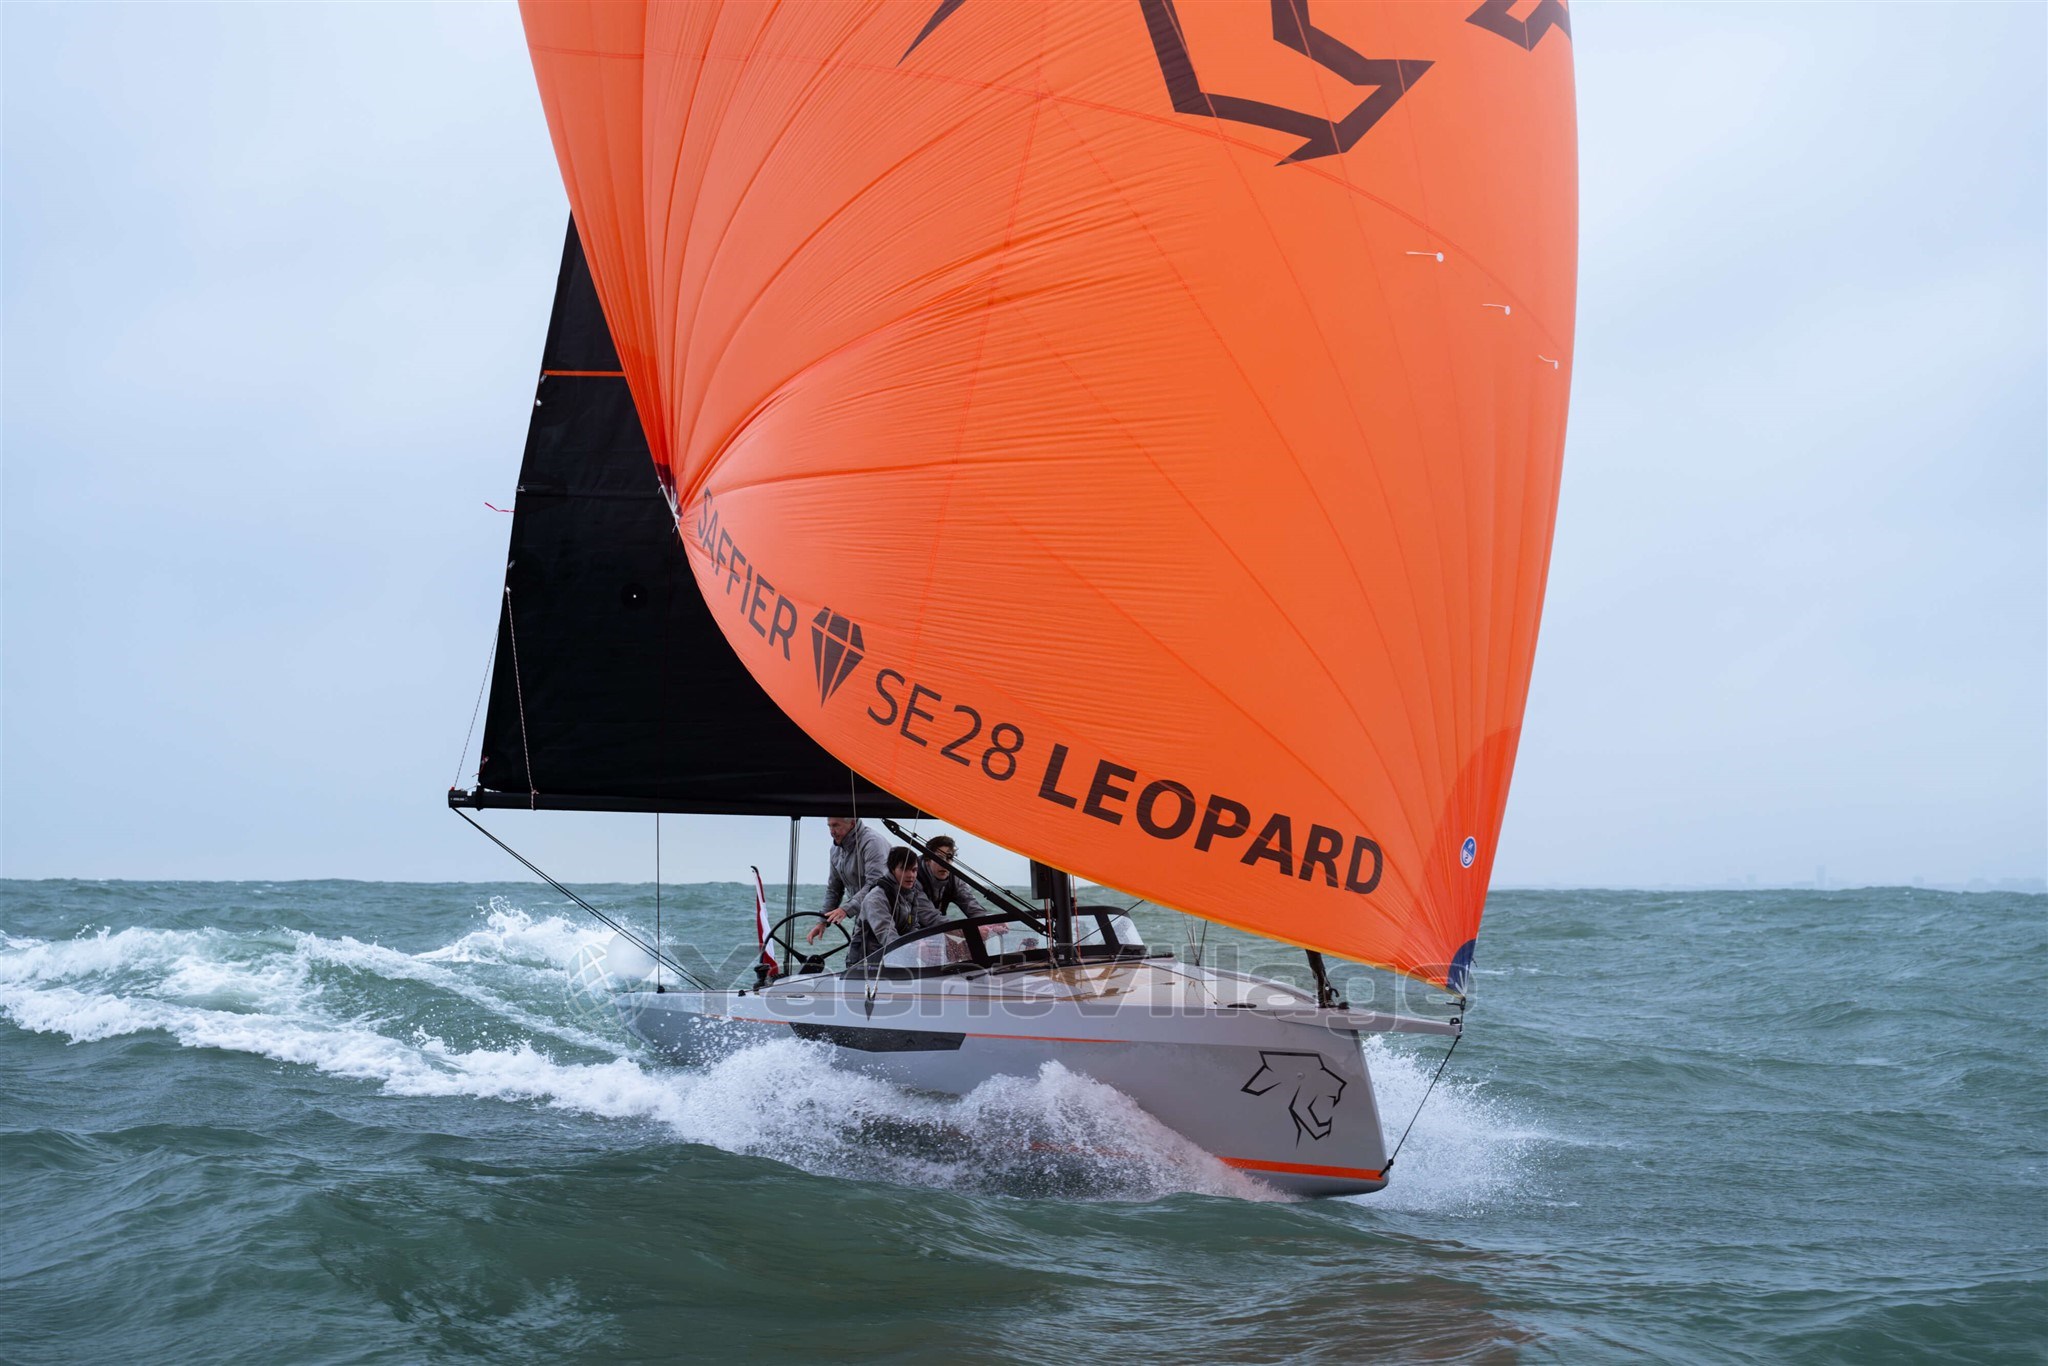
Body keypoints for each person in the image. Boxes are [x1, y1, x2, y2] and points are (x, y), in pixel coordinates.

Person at [917, 834, 1008, 956]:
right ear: (928, 860)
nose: (944, 863)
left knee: (968, 942)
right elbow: (929, 917)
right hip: (908, 935)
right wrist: (967, 932)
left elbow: (971, 904)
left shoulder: (954, 878)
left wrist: (990, 923)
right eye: (939, 858)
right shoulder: (913, 876)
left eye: (949, 858)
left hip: (935, 930)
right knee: (963, 936)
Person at [848, 846, 943, 962]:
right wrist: (917, 951)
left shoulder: (911, 894)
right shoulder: (876, 898)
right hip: (867, 964)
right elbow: (887, 936)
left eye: (914, 870)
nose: (911, 875)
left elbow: (912, 928)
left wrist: (925, 945)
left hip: (894, 959)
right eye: (904, 869)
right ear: (892, 869)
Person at [808, 815, 889, 945]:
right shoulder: (835, 850)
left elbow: (876, 885)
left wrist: (846, 909)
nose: (832, 832)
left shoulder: (872, 843)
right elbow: (834, 888)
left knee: (873, 955)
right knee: (856, 955)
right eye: (829, 826)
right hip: (862, 915)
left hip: (886, 915)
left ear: (852, 823)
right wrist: (822, 921)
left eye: (836, 825)